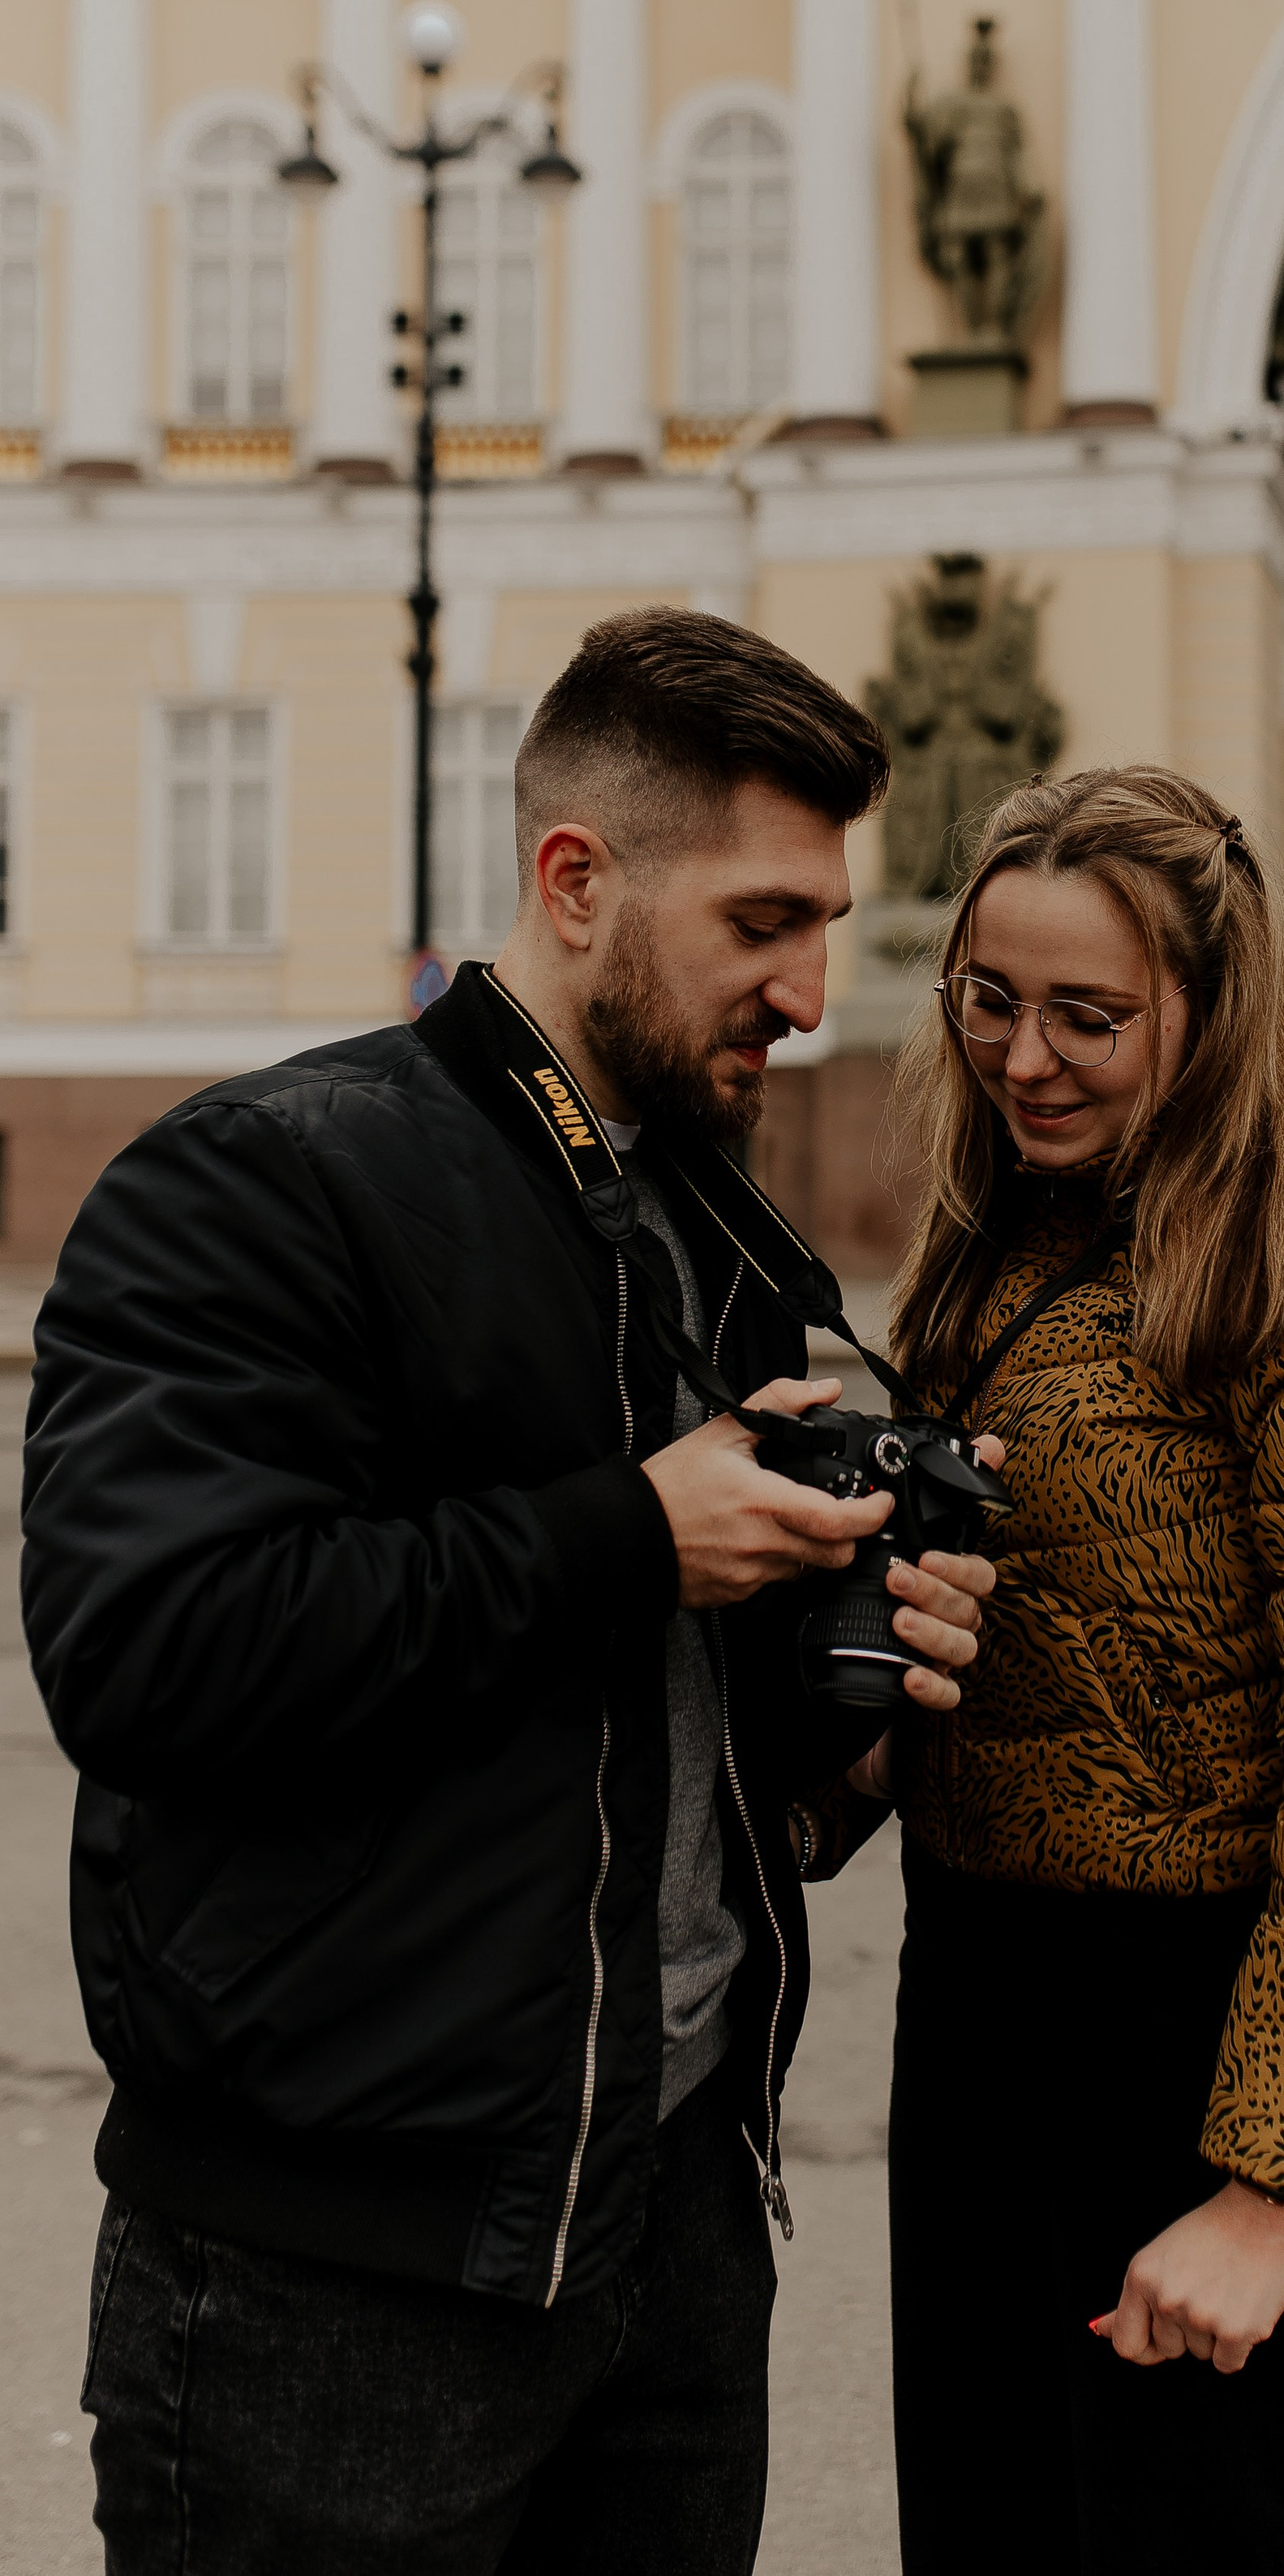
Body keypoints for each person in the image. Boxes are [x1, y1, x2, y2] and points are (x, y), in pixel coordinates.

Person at [20, 608, 996, 2576]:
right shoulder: (265, 1181)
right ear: (574, 882)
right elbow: (151, 1651)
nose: (811, 993)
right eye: (761, 923)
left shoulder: (723, 1233)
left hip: (673, 2211)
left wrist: (848, 1717)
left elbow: (660, 1754)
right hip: (336, 2279)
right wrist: (628, 1535)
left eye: (824, 926)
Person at [843, 765, 1284, 2576]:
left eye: (1088, 1016)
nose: (1023, 1057)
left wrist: (1272, 2192)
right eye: (988, 999)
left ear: (1210, 1011)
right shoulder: (1007, 1233)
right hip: (976, 2003)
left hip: (1192, 2036)